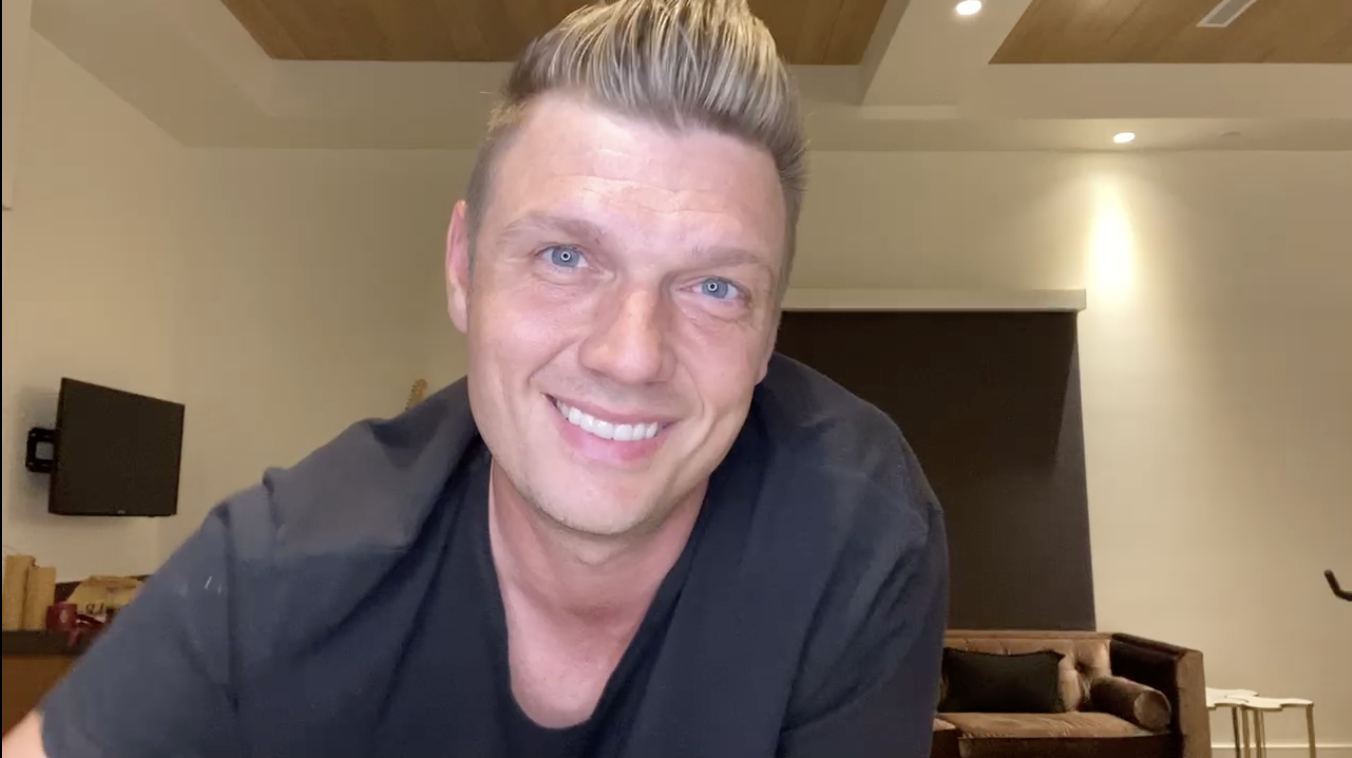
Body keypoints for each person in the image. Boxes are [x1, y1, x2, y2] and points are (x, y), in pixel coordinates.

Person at [2, 1, 948, 756]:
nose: (631, 354)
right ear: (463, 269)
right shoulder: (283, 566)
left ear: (770, 325)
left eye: (713, 285)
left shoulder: (854, 526)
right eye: (566, 257)